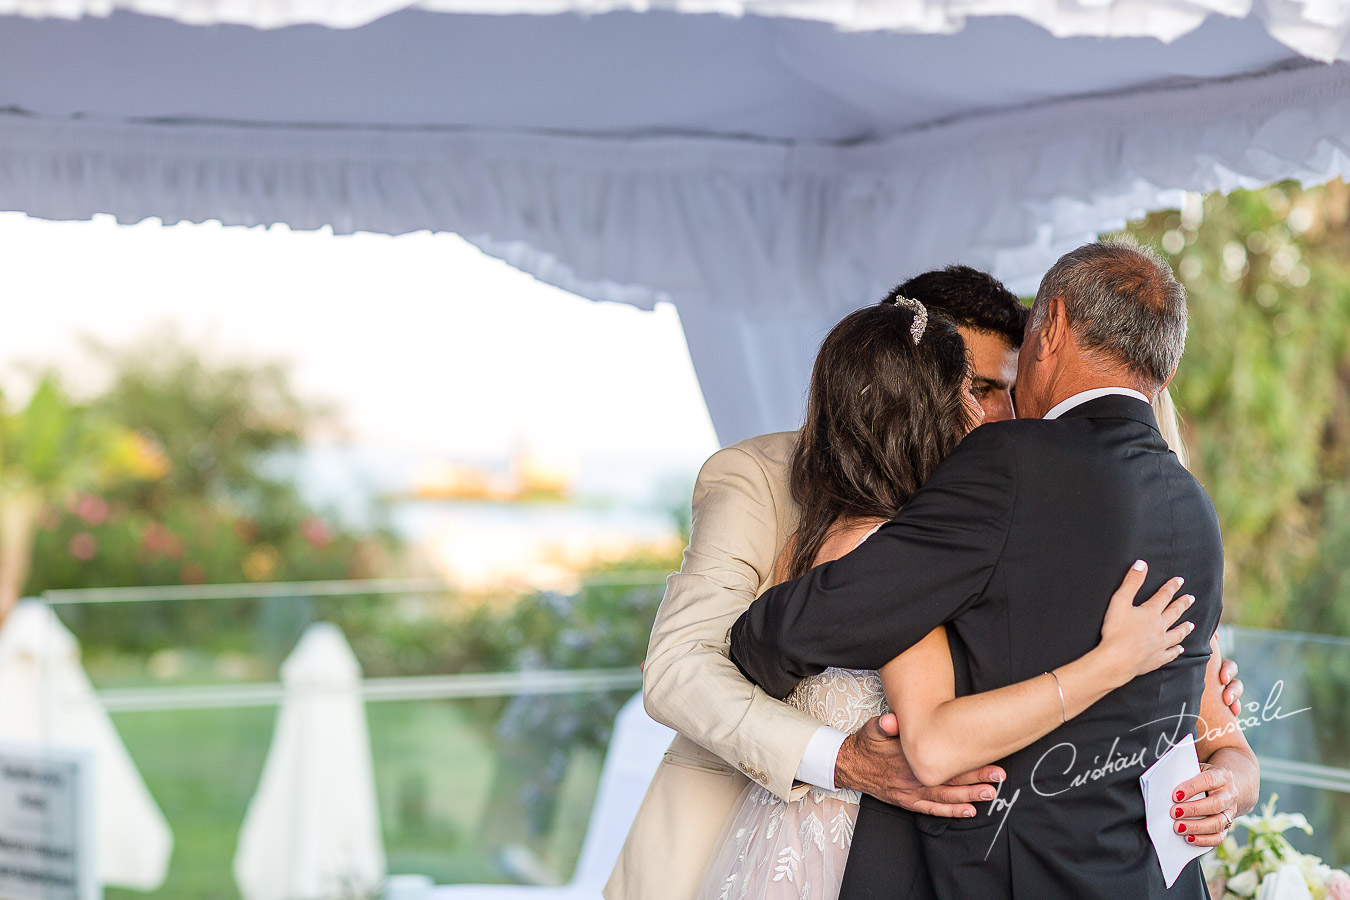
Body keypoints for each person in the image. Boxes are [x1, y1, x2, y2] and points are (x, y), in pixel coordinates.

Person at [606, 265, 1245, 900]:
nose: (998, 412)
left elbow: (1197, 722)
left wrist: (1222, 758)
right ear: (910, 381)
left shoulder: (1041, 493)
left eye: (1007, 387)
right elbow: (682, 668)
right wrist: (837, 759)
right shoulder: (760, 477)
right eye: (976, 387)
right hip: (769, 837)